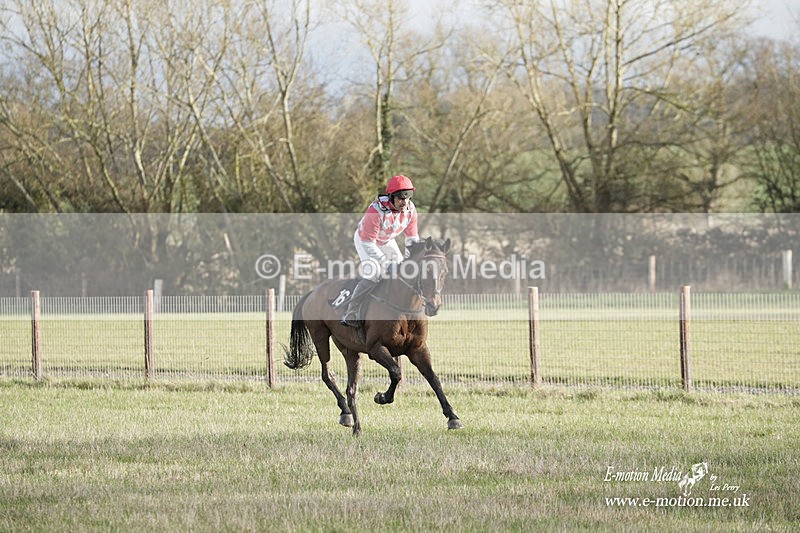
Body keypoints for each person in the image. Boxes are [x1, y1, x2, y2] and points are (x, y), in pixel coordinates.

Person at [340, 175, 420, 327]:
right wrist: (385, 263)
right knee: (375, 272)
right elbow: (369, 243)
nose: (405, 203)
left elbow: (412, 239)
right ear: (391, 197)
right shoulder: (375, 211)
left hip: (387, 240)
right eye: (401, 199)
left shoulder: (411, 210)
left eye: (408, 198)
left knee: (403, 271)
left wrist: (412, 261)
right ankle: (351, 312)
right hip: (366, 241)